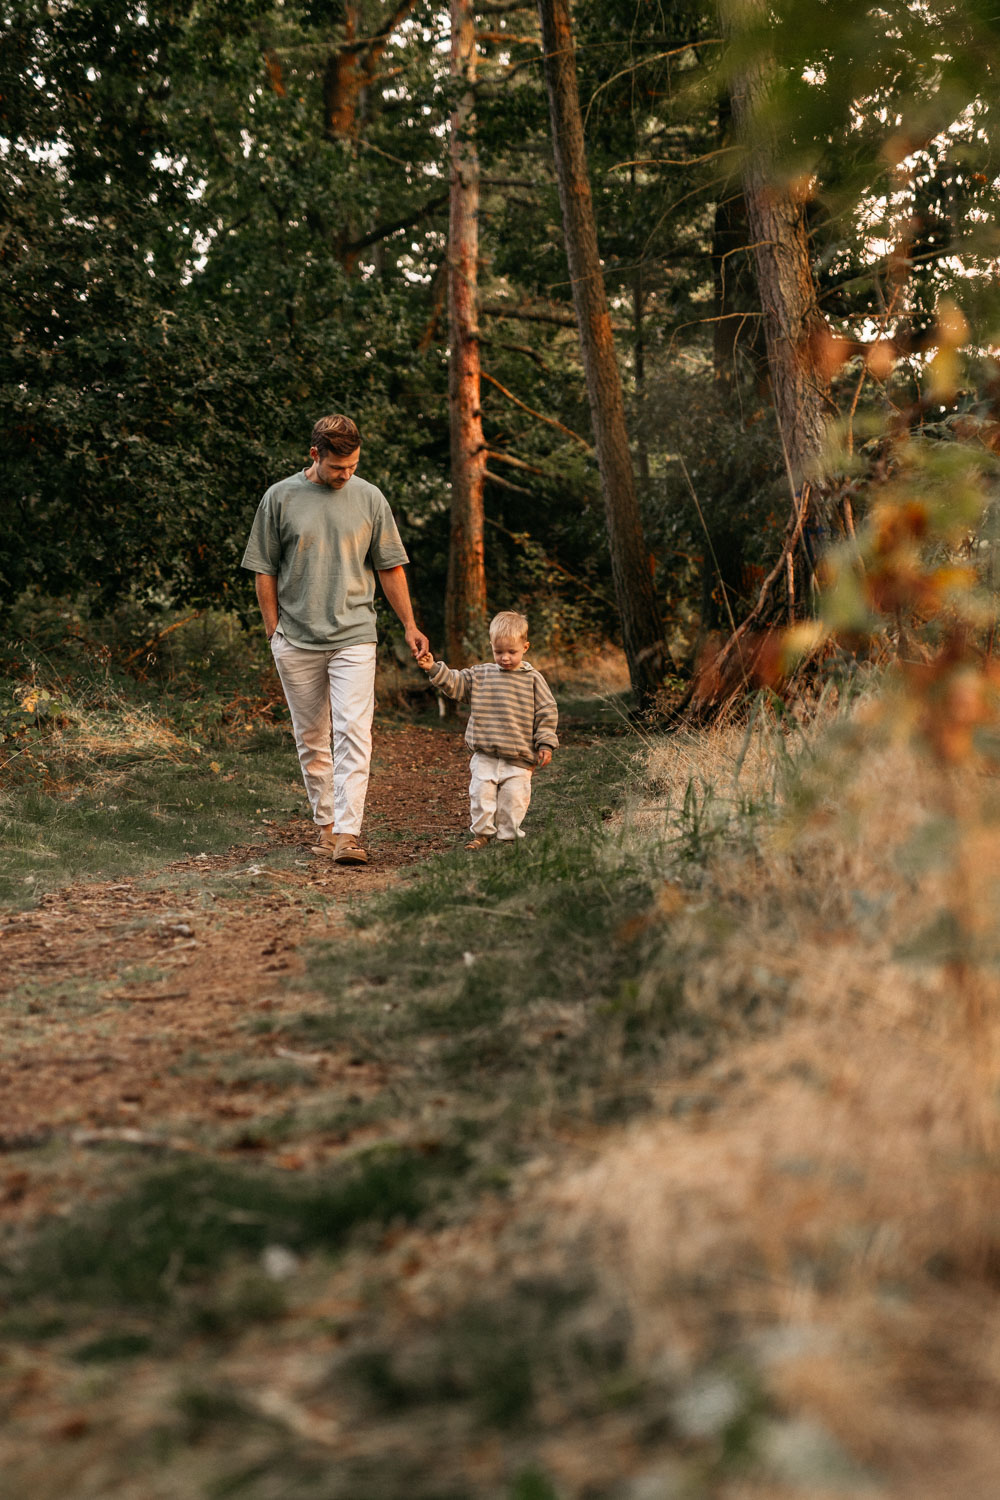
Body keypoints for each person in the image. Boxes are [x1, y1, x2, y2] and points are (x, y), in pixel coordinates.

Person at [241, 414, 427, 864]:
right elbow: (263, 567)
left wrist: (409, 624)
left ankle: (349, 833)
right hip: (296, 638)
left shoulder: (370, 498)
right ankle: (325, 824)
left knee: (353, 733)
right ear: (314, 455)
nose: (346, 475)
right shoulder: (279, 497)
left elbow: (389, 567)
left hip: (355, 635)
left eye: (353, 466)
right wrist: (273, 630)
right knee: (311, 737)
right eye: (337, 467)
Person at [417, 610, 558, 850]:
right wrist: (433, 668)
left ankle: (508, 836)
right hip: (484, 753)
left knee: (513, 799)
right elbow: (455, 683)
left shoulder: (533, 679)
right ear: (491, 646)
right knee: (481, 795)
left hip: (519, 756)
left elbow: (546, 710)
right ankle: (481, 834)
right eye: (498, 651)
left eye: (511, 652)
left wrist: (545, 743)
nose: (504, 658)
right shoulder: (480, 675)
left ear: (525, 647)